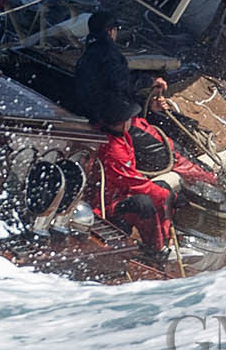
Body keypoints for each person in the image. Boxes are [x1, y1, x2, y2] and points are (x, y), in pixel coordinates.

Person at [92, 99, 216, 258]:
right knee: (145, 203)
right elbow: (136, 185)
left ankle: (167, 240)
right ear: (123, 123)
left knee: (162, 187)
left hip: (120, 193)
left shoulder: (119, 137)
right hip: (108, 204)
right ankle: (156, 250)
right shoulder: (113, 149)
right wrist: (172, 198)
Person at [73, 10, 165, 121]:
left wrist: (147, 103)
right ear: (110, 31)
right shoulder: (108, 52)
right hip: (106, 116)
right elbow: (121, 83)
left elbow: (108, 86)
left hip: (88, 110)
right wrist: (150, 81)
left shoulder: (87, 54)